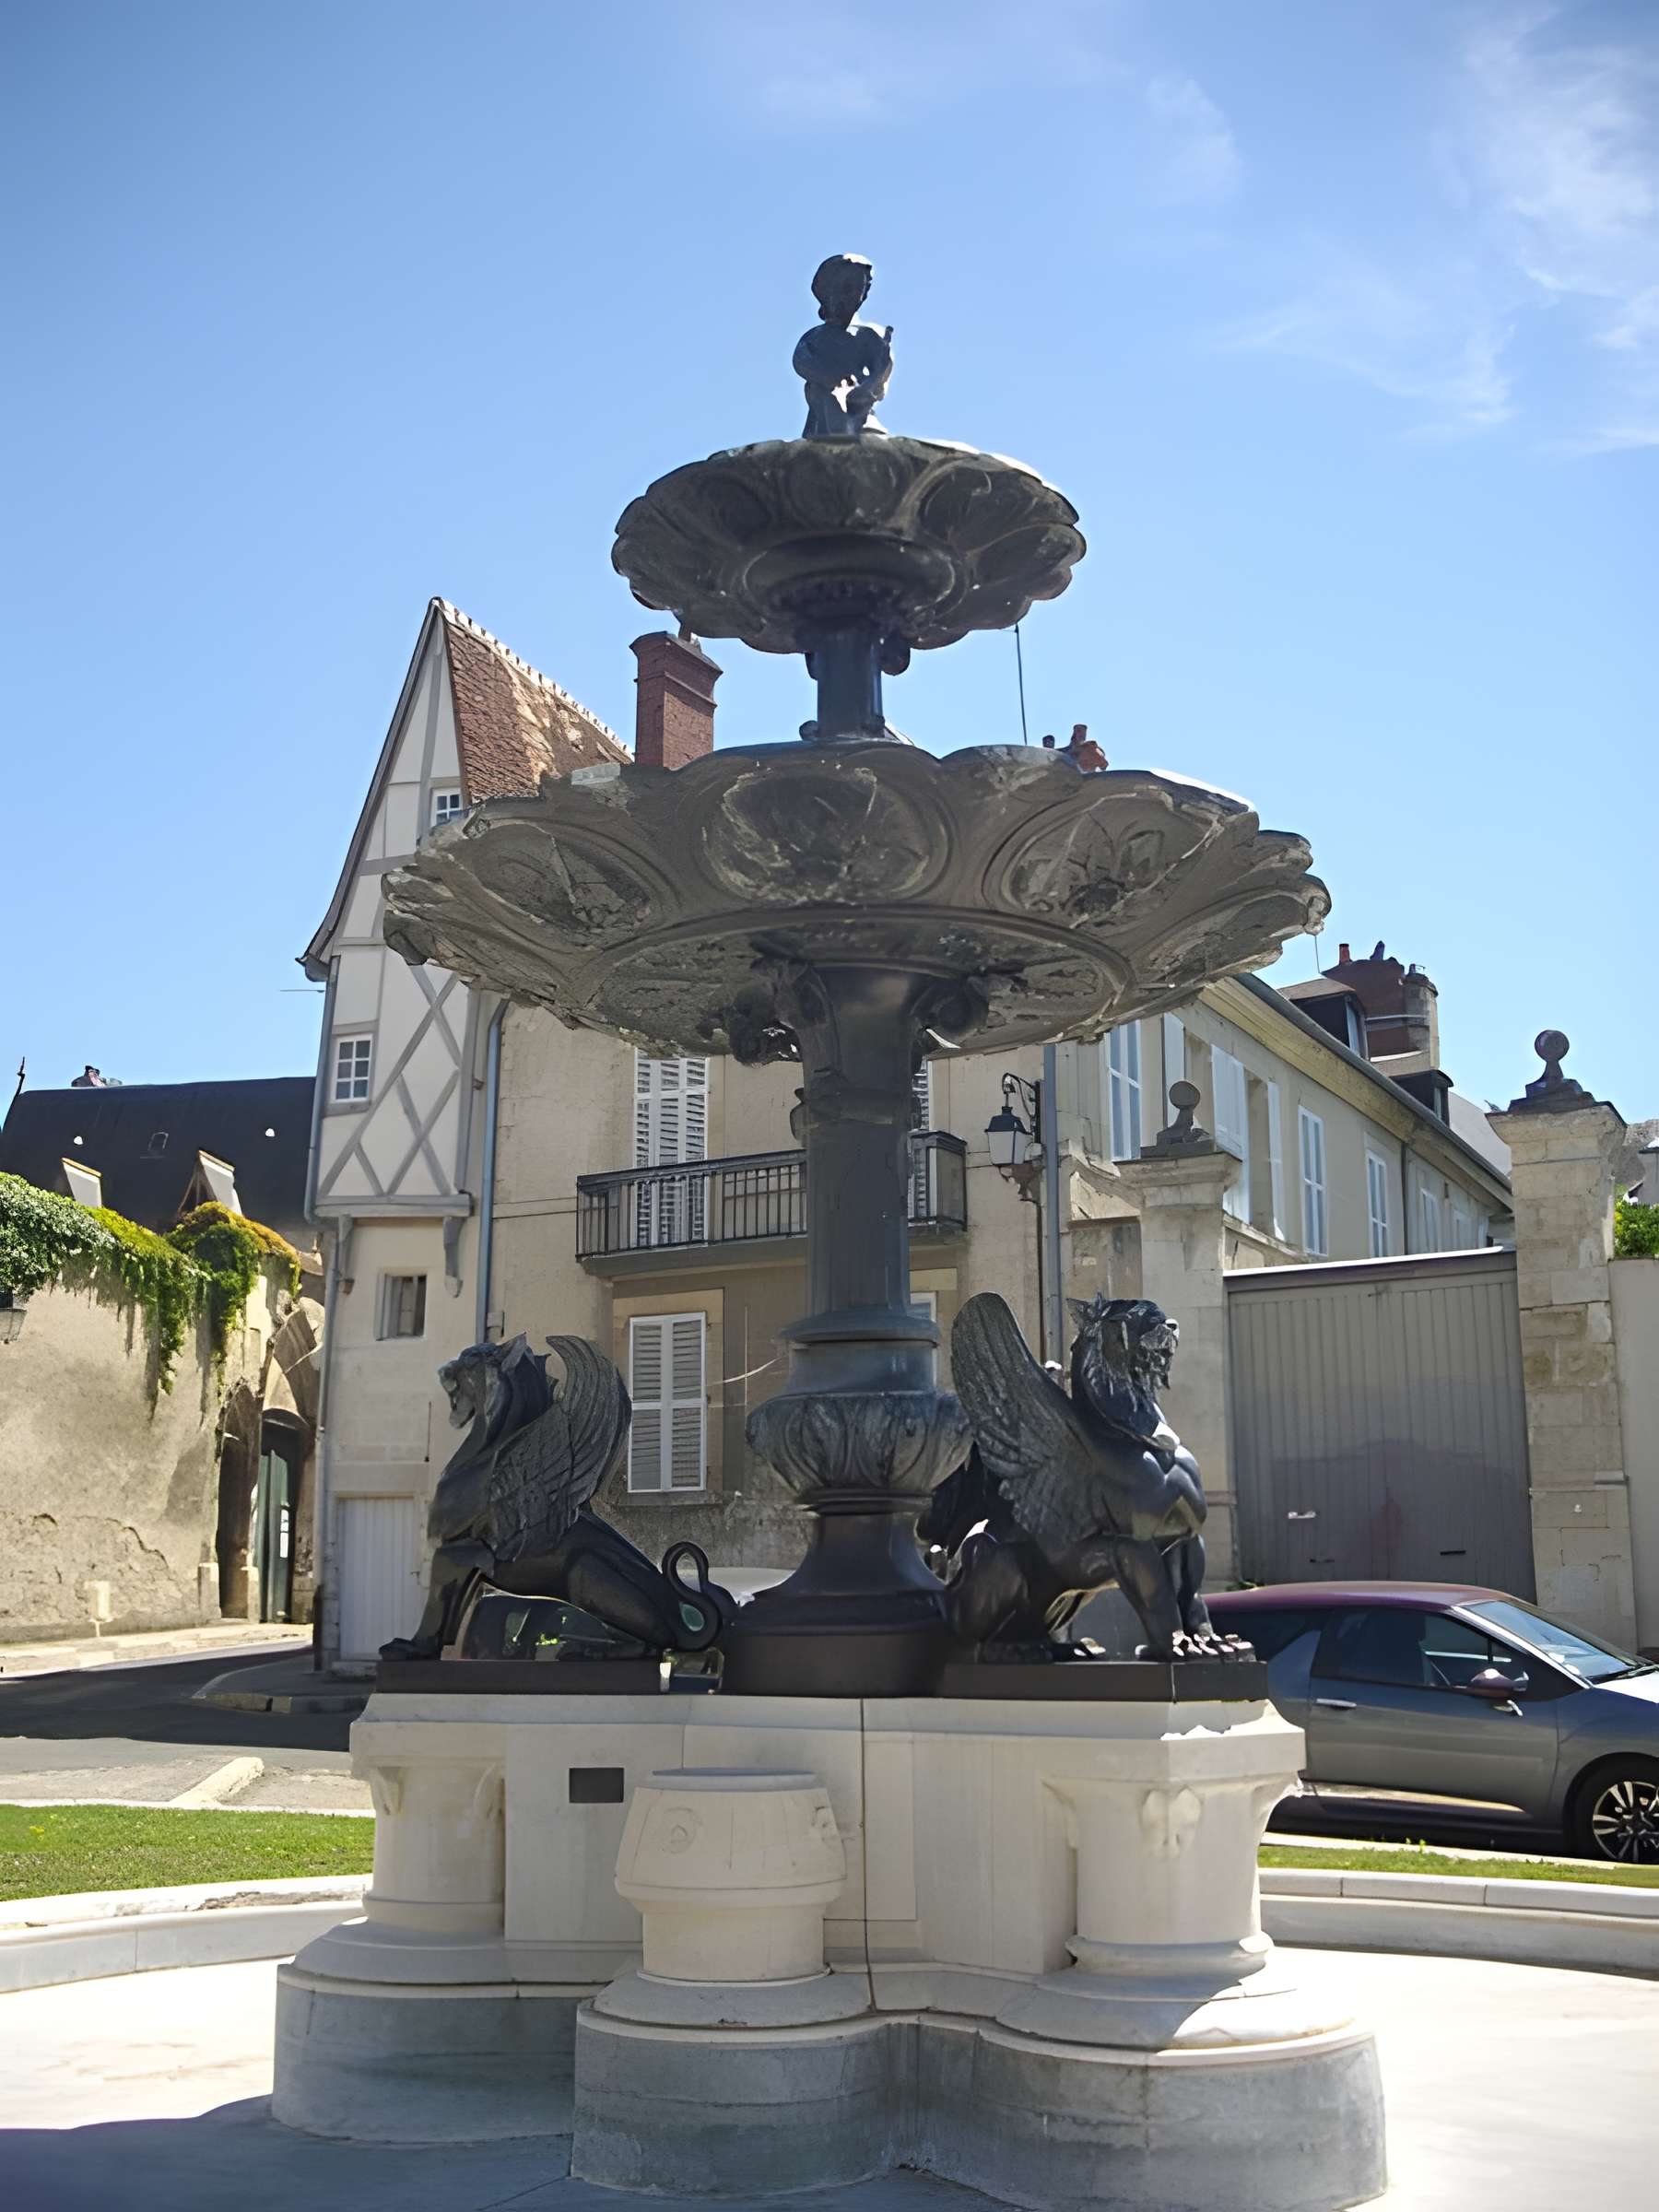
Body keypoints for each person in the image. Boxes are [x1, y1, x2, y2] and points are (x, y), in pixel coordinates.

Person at [794, 253, 893, 440]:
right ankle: (836, 434)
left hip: (860, 401)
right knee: (822, 395)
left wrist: (873, 380)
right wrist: (830, 377)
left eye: (859, 289)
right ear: (826, 292)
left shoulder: (869, 335)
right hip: (824, 403)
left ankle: (857, 430)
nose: (853, 295)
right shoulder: (815, 337)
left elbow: (881, 371)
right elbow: (802, 361)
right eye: (845, 288)